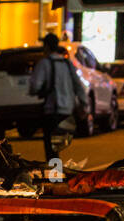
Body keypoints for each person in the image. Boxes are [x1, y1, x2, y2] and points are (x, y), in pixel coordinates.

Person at [28, 33, 85, 163]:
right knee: (58, 147)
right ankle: (58, 176)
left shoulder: (45, 63)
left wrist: (36, 91)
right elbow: (78, 85)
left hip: (52, 111)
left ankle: (56, 178)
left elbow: (35, 85)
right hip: (67, 112)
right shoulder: (66, 63)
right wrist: (84, 104)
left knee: (51, 150)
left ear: (46, 46)